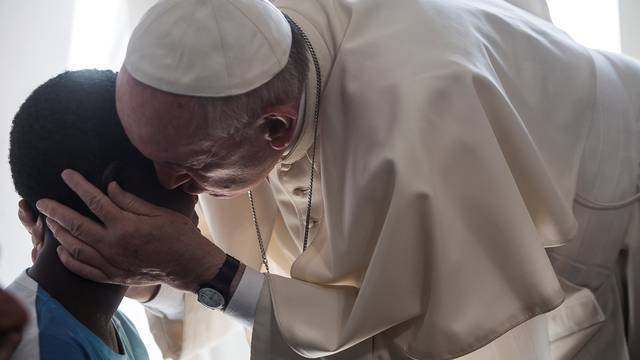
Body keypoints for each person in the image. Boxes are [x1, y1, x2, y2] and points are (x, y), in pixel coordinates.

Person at [22, 0, 640, 359]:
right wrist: (151, 276)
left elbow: (408, 334)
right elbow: (244, 253)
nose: (182, 190)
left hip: (604, 235)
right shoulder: (245, 55)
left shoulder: (419, 111)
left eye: (191, 170)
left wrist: (210, 275)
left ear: (275, 130)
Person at [7, 69, 198, 359]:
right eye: (175, 165)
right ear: (119, 187)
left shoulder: (117, 326)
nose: (195, 187)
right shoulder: (38, 346)